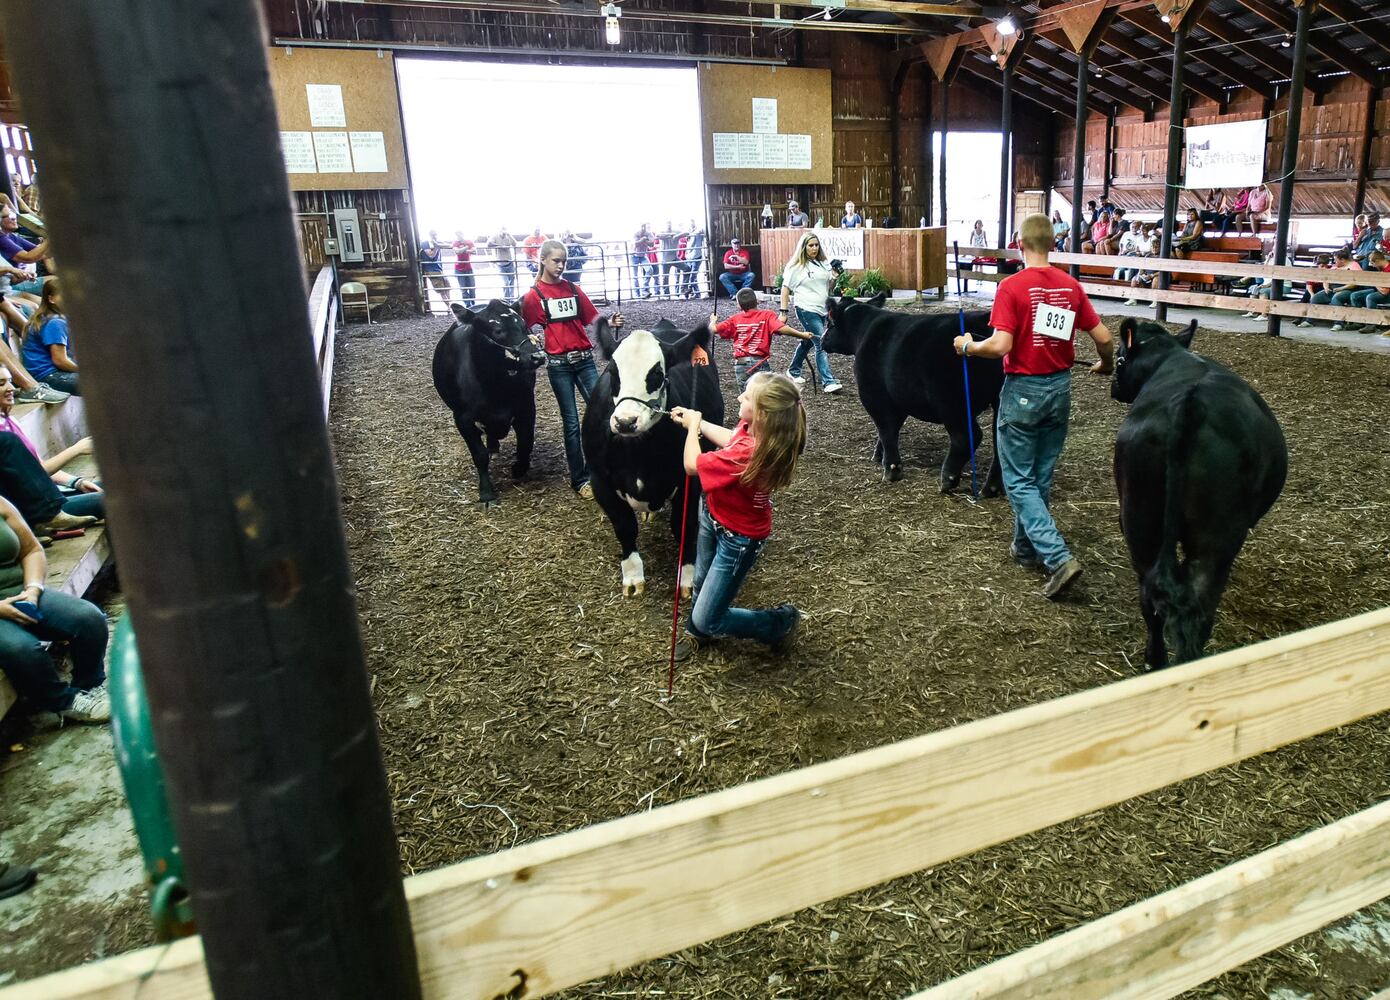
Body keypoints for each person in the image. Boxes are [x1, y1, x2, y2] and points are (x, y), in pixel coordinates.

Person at [952, 212, 1114, 600]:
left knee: (1018, 481)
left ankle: (1058, 558)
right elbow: (1104, 336)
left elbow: (1001, 346)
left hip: (1023, 389)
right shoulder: (1070, 286)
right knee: (1039, 473)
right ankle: (1025, 548)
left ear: (1019, 245)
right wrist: (1106, 364)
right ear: (1054, 244)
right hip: (1060, 388)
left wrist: (967, 346)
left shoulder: (1012, 287)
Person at [668, 372, 807, 661]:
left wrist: (693, 428)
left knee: (710, 618)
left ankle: (777, 622)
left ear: (762, 413)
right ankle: (699, 629)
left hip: (738, 540)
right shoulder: (757, 431)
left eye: (746, 396)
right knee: (701, 582)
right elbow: (730, 439)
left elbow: (692, 465)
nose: (739, 397)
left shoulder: (750, 452)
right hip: (713, 516)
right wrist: (701, 423)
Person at [519, 240, 624, 500]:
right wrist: (531, 340)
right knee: (572, 422)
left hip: (584, 359)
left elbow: (592, 317)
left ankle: (604, 468)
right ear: (542, 260)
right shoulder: (534, 296)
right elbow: (522, 325)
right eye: (556, 260)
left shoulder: (572, 289)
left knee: (603, 412)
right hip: (559, 365)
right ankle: (580, 479)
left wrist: (610, 322)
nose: (561, 265)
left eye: (563, 261)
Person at [0, 494, 109, 722]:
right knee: (22, 649)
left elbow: (32, 550)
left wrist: (33, 589)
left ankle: (88, 686)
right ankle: (64, 702)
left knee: (89, 619)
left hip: (19, 590)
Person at [0, 366, 103, 532]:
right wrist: (76, 449)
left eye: (10, 382)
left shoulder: (10, 421)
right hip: (31, 510)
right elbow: (37, 473)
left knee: (116, 486)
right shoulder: (4, 440)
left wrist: (76, 482)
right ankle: (50, 517)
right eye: (1, 384)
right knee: (114, 500)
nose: (11, 388)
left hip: (51, 495)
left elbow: (35, 466)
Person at [779, 232, 843, 394]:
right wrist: (783, 312)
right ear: (804, 247)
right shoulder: (796, 267)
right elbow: (785, 290)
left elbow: (829, 287)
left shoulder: (822, 263)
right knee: (821, 342)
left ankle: (793, 370)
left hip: (822, 309)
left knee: (808, 340)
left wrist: (835, 274)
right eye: (810, 245)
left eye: (816, 245)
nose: (814, 248)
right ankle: (828, 382)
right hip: (806, 309)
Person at [713, 288, 812, 389]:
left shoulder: (734, 319)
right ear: (757, 301)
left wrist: (713, 321)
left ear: (739, 305)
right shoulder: (767, 315)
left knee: (746, 395)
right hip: (759, 362)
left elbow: (712, 329)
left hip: (741, 363)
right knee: (764, 394)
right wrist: (802, 335)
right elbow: (781, 328)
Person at [22, 278, 79, 395]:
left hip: (51, 374)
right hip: (48, 376)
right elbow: (60, 361)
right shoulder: (55, 322)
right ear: (51, 299)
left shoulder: (56, 318)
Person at [418, 230, 451, 311]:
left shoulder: (437, 242)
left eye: (436, 234)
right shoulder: (425, 243)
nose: (435, 236)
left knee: (447, 287)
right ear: (429, 235)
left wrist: (439, 244)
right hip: (431, 270)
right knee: (442, 290)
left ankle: (450, 307)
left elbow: (450, 245)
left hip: (439, 269)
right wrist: (437, 247)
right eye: (433, 235)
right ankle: (450, 308)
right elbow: (431, 255)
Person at [489, 226, 518, 300]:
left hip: (509, 262)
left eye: (505, 230)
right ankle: (507, 300)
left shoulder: (508, 237)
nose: (504, 232)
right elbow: (489, 244)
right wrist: (500, 246)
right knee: (505, 283)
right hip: (500, 264)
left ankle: (511, 299)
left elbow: (515, 244)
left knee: (511, 283)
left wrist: (509, 235)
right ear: (500, 230)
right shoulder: (495, 236)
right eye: (502, 230)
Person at [631, 223, 656, 299]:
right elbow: (635, 244)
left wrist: (643, 240)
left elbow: (652, 244)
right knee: (635, 276)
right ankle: (637, 294)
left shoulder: (648, 233)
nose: (643, 228)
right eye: (641, 226)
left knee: (650, 270)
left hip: (643, 256)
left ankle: (645, 290)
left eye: (644, 226)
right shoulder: (636, 233)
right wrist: (644, 239)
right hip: (634, 255)